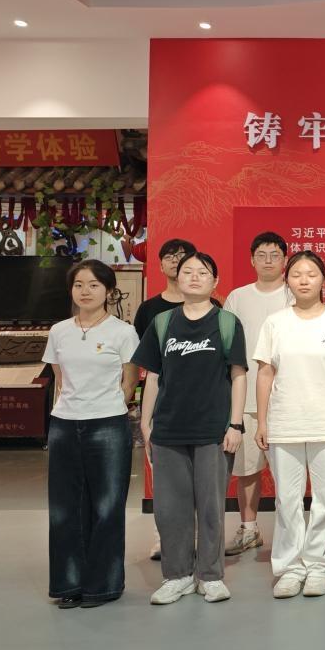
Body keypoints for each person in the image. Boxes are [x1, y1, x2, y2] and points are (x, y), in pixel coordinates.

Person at [134, 252, 248, 605]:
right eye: (187, 271)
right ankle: (177, 576)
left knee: (211, 507)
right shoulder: (162, 323)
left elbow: (238, 375)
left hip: (213, 430)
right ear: (177, 278)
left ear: (215, 281)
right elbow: (153, 376)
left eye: (203, 272)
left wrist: (235, 424)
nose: (194, 277)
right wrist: (145, 422)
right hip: (168, 429)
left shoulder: (227, 323)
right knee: (170, 509)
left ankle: (211, 576)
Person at [254, 251, 325, 599]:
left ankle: (317, 566)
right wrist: (262, 421)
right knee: (287, 500)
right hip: (284, 422)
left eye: (311, 274)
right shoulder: (275, 323)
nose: (303, 280)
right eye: (296, 274)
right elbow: (265, 373)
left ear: (324, 280)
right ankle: (289, 568)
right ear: (287, 280)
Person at [43, 260, 140, 608]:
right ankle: (69, 584)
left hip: (108, 424)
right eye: (79, 285)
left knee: (106, 506)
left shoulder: (123, 332)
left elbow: (130, 382)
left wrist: (107, 405)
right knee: (64, 509)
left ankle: (103, 585)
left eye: (94, 285)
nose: (85, 291)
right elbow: (60, 379)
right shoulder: (59, 331)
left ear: (109, 291)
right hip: (64, 425)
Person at [132, 237, 219, 561]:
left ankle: (198, 544)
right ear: (163, 266)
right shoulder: (150, 311)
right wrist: (145, 418)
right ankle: (165, 542)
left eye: (183, 257)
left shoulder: (216, 311)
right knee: (167, 486)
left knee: (203, 485)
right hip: (165, 409)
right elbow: (147, 365)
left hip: (204, 412)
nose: (177, 262)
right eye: (170, 257)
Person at [222, 231, 292, 558]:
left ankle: (291, 534)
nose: (268, 260)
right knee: (247, 469)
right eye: (261, 255)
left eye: (274, 255)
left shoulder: (294, 294)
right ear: (252, 260)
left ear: (285, 260)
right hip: (247, 397)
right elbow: (226, 346)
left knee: (288, 474)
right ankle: (249, 529)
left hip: (287, 399)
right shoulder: (237, 298)